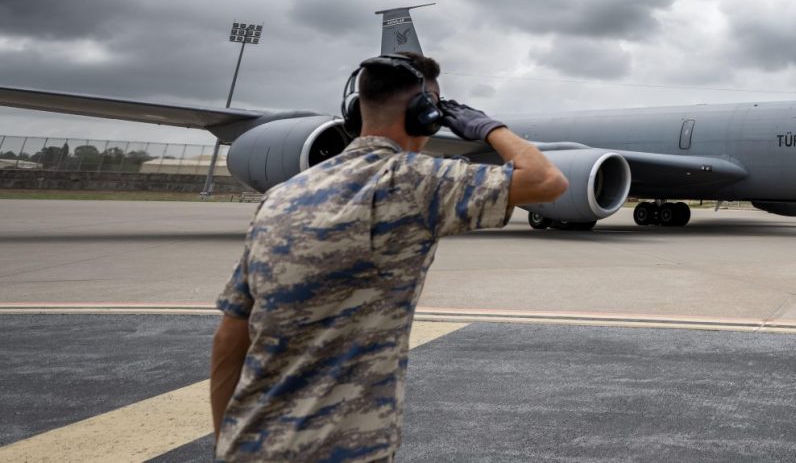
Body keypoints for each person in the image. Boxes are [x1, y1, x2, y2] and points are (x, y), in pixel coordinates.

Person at [209, 52, 567, 461]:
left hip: (248, 445)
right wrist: (489, 128)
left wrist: (226, 444)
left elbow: (229, 338)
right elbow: (547, 181)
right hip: (341, 450)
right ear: (424, 116)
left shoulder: (280, 196)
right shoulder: (414, 181)